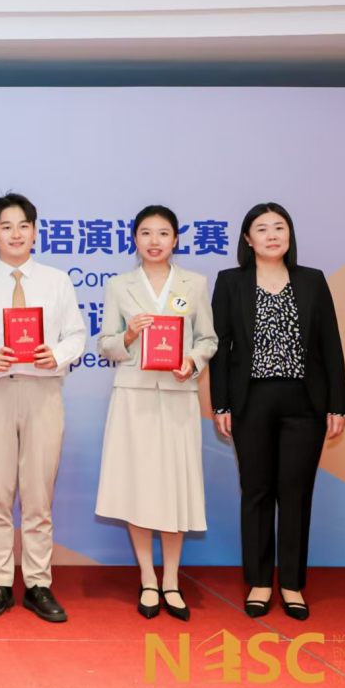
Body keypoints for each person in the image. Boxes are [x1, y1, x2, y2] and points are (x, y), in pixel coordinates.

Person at [0, 192, 87, 623]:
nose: (15, 234)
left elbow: (77, 335)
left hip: (43, 393)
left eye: (23, 226)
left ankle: (39, 584)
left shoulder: (57, 282)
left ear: (35, 231)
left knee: (38, 493)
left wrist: (56, 356)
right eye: (6, 227)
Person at [211, 202, 345, 621]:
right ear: (247, 239)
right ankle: (259, 581)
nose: (272, 235)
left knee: (295, 492)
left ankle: (290, 583)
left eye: (279, 227)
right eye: (262, 228)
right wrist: (221, 403)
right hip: (251, 401)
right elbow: (220, 349)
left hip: (305, 403)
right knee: (256, 491)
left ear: (289, 235)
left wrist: (338, 403)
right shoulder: (231, 281)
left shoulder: (311, 280)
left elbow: (330, 346)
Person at [93, 205, 218, 622]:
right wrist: (128, 335)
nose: (154, 241)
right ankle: (148, 578)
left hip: (179, 395)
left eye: (163, 233)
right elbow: (105, 344)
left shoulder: (195, 284)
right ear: (134, 239)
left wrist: (193, 361)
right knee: (139, 486)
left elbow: (208, 339)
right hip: (134, 396)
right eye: (145, 233)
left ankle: (172, 580)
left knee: (175, 487)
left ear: (176, 239)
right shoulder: (119, 285)